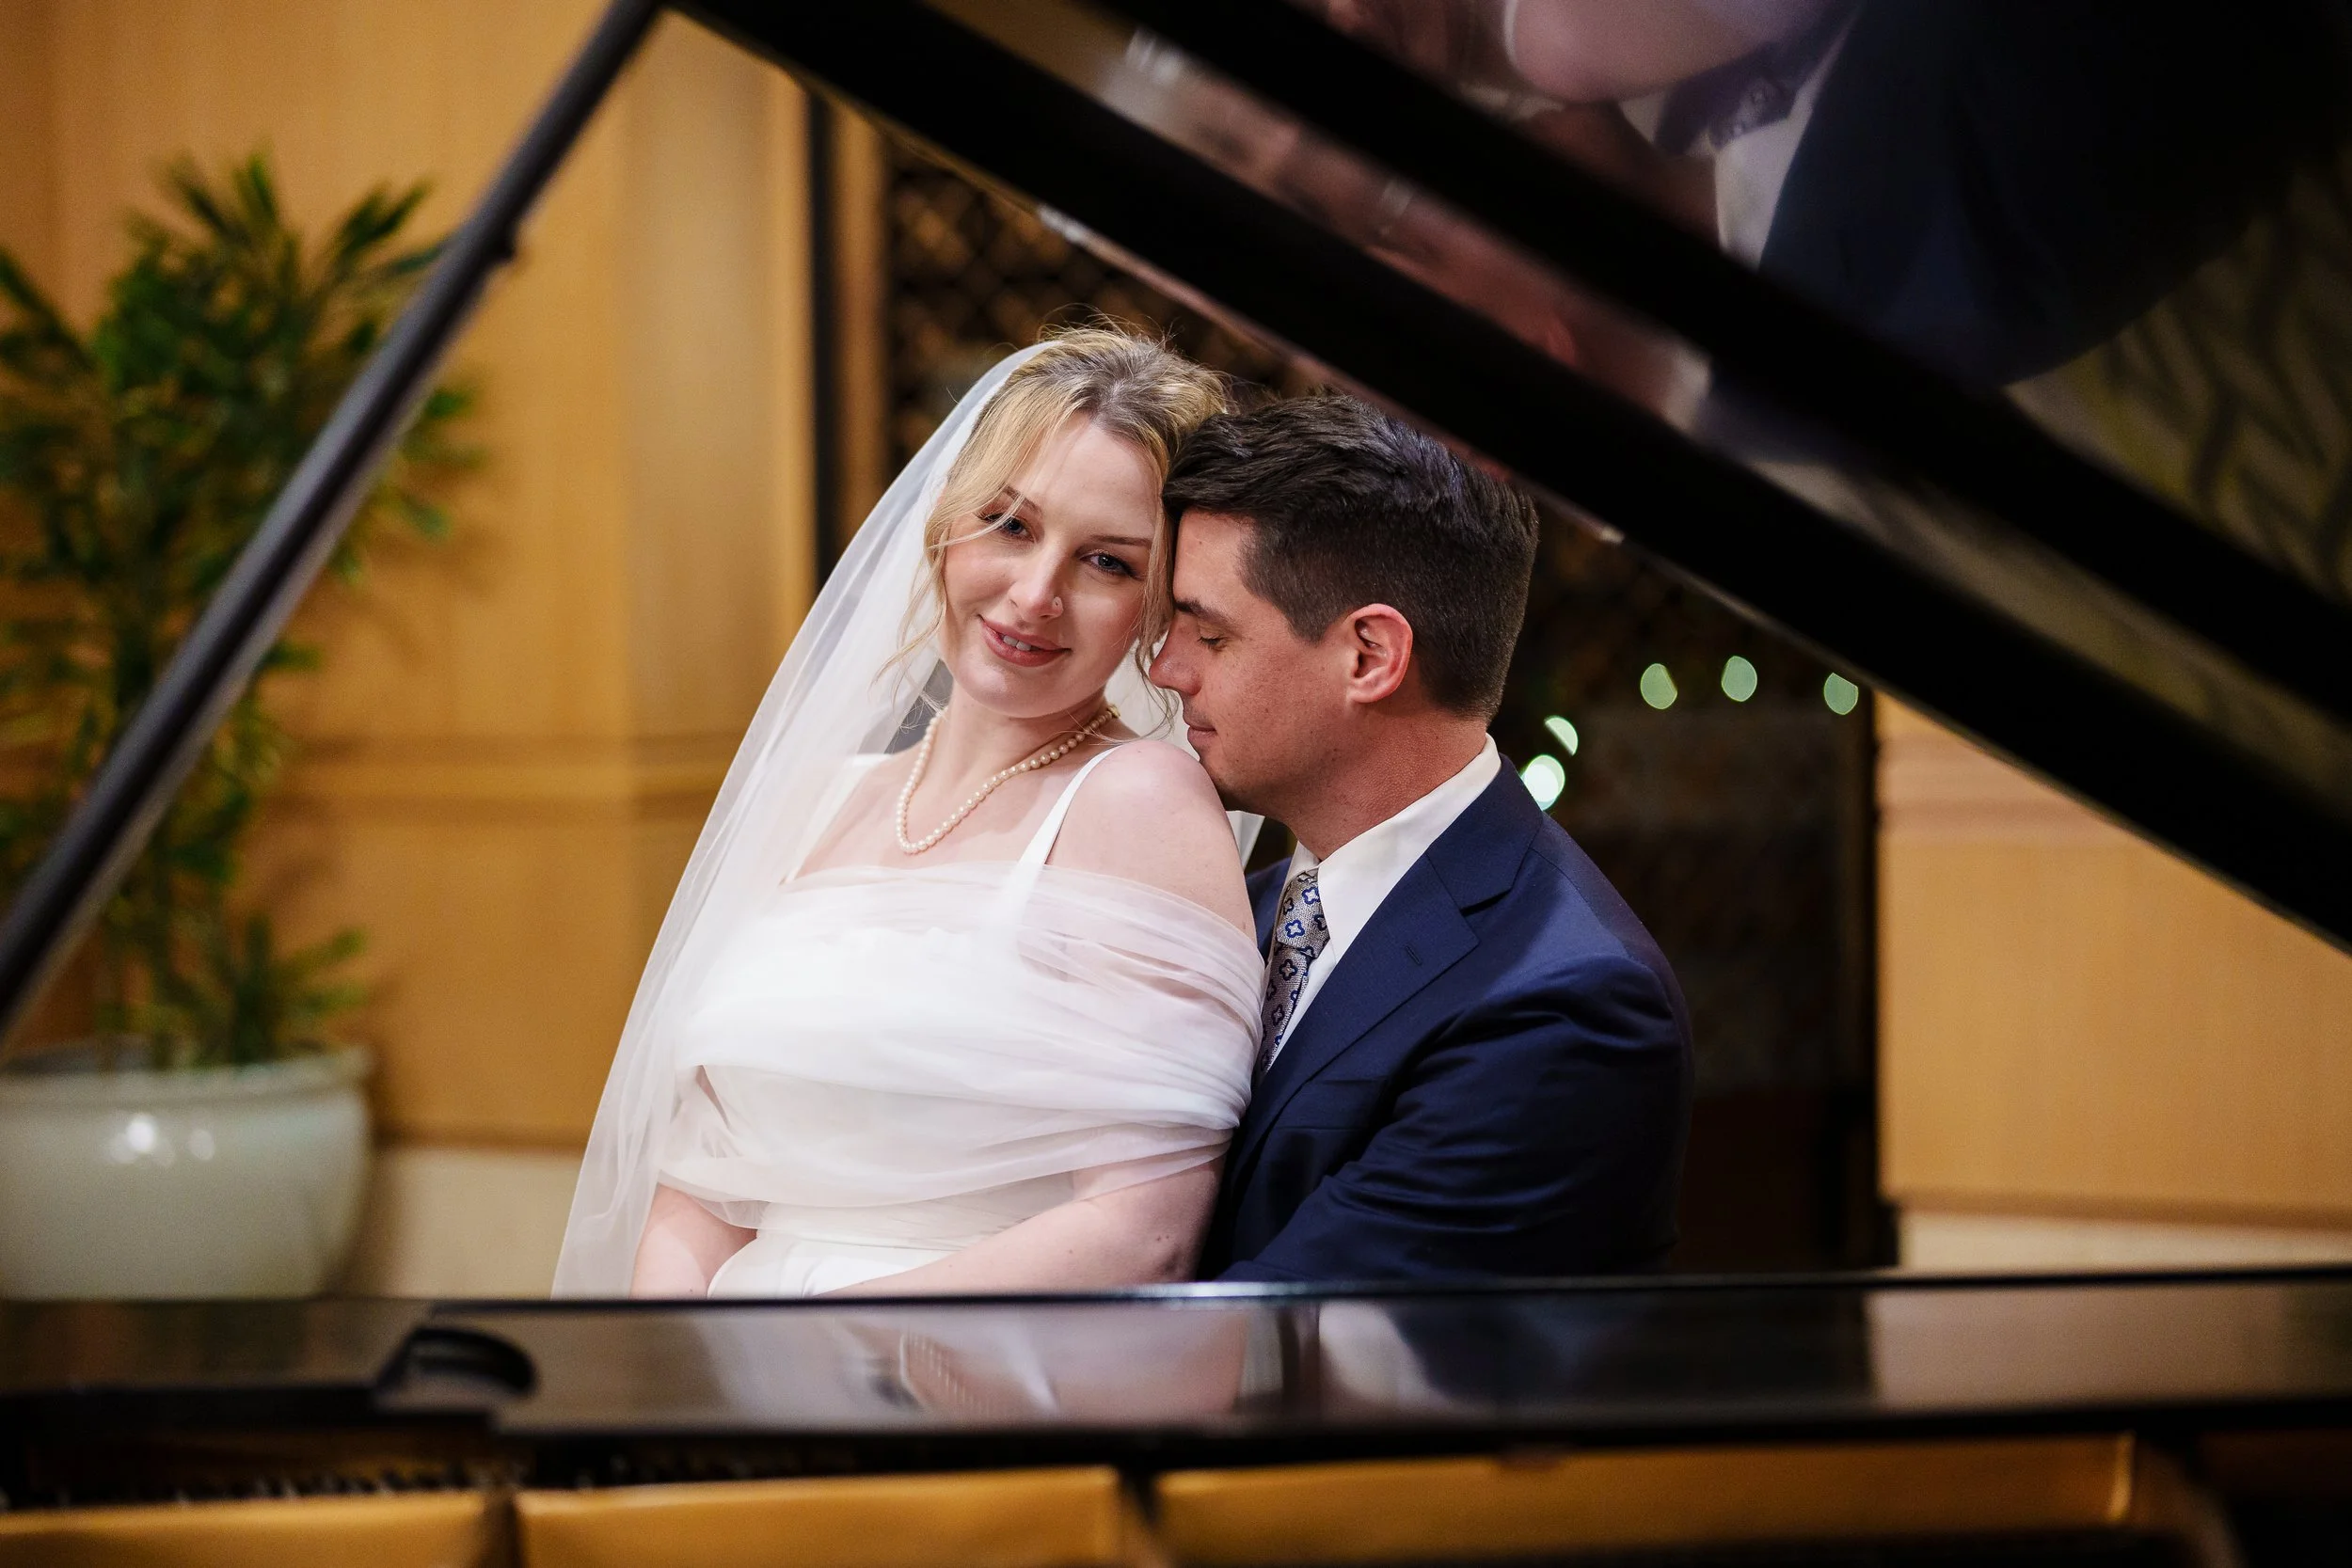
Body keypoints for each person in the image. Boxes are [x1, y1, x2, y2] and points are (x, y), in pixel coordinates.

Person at [551, 329, 1263, 1298]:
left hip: (953, 1385)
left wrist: (810, 1359)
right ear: (943, 524)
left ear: (1157, 606)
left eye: (1105, 562)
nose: (1034, 593)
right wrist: (678, 1382)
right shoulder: (820, 799)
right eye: (1009, 524)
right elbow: (703, 1189)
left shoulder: (1136, 803)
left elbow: (1142, 1236)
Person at [1149, 395, 1692, 1281]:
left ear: (1370, 655)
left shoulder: (1567, 1006)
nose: (1167, 667)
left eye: (1210, 632)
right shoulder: (1230, 906)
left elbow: (1290, 1341)